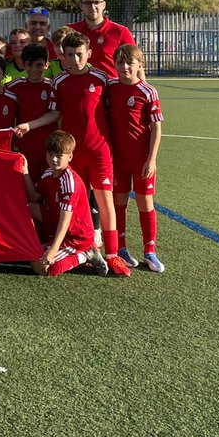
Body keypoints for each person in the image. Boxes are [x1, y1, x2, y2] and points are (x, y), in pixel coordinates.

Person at [51, 31, 130, 276]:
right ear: (63, 55)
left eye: (80, 54)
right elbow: (55, 115)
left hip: (99, 151)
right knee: (78, 203)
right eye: (71, 55)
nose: (75, 59)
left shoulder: (102, 79)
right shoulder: (58, 82)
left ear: (89, 54)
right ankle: (87, 249)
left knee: (106, 202)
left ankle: (113, 254)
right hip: (72, 153)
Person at [107, 44, 165, 273]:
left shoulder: (147, 91)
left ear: (140, 65)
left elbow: (156, 128)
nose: (124, 67)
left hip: (141, 159)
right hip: (118, 159)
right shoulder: (110, 87)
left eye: (129, 62)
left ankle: (149, 251)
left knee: (145, 202)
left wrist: (151, 160)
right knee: (119, 201)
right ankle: (120, 247)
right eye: (120, 63)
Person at [19, 131, 108, 277]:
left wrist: (53, 250)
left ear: (70, 157)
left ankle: (86, 254)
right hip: (57, 224)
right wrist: (25, 172)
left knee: (42, 268)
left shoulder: (69, 183)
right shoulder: (49, 173)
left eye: (59, 156)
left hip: (76, 237)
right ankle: (43, 243)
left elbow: (65, 220)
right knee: (24, 207)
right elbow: (34, 197)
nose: (53, 159)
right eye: (50, 154)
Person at [6, 44, 61, 178]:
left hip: (48, 146)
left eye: (39, 65)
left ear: (46, 65)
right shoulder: (14, 86)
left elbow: (56, 114)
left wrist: (29, 125)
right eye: (30, 65)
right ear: (24, 65)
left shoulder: (53, 86)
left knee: (47, 184)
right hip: (24, 144)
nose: (35, 69)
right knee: (24, 183)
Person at [68, 0, 135, 79]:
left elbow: (135, 64)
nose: (92, 7)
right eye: (88, 3)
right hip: (78, 89)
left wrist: (140, 92)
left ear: (104, 5)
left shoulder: (120, 32)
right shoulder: (70, 31)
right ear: (81, 6)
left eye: (96, 2)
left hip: (110, 90)